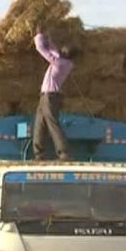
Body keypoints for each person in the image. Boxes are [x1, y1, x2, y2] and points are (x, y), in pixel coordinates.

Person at [32, 29, 77, 161]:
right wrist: (49, 39)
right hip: (46, 96)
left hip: (50, 97)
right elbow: (53, 51)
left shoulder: (59, 63)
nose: (62, 49)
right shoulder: (64, 62)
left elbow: (41, 49)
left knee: (52, 123)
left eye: (65, 49)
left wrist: (39, 35)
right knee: (39, 123)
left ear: (67, 54)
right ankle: (39, 154)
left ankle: (64, 152)